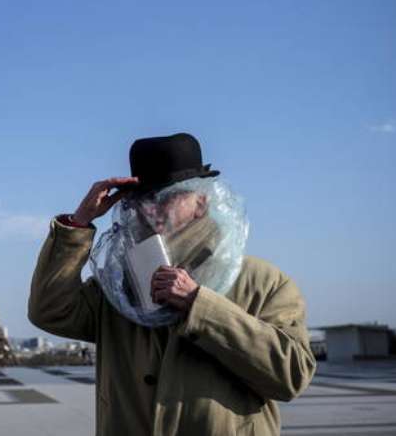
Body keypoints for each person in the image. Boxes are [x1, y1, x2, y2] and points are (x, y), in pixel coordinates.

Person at [28, 133, 316, 436]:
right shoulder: (117, 285)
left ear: (201, 202)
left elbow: (292, 376)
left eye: (167, 197)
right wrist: (78, 224)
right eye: (142, 199)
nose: (151, 209)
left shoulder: (262, 281)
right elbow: (50, 311)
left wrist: (199, 305)